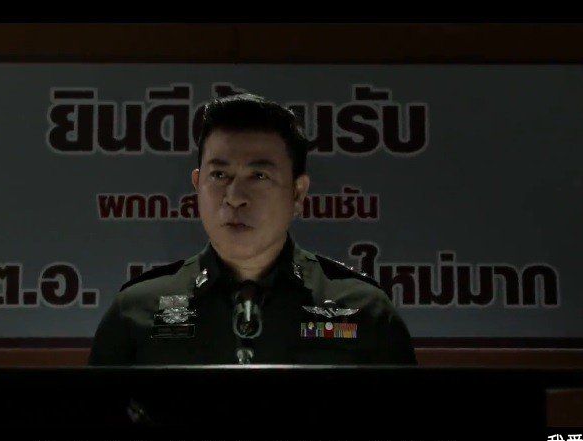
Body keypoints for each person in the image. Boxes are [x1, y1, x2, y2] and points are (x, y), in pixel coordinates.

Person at [89, 93, 416, 366]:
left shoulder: (364, 311)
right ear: (197, 185)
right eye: (219, 175)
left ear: (297, 193)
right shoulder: (136, 311)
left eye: (259, 176)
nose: (234, 197)